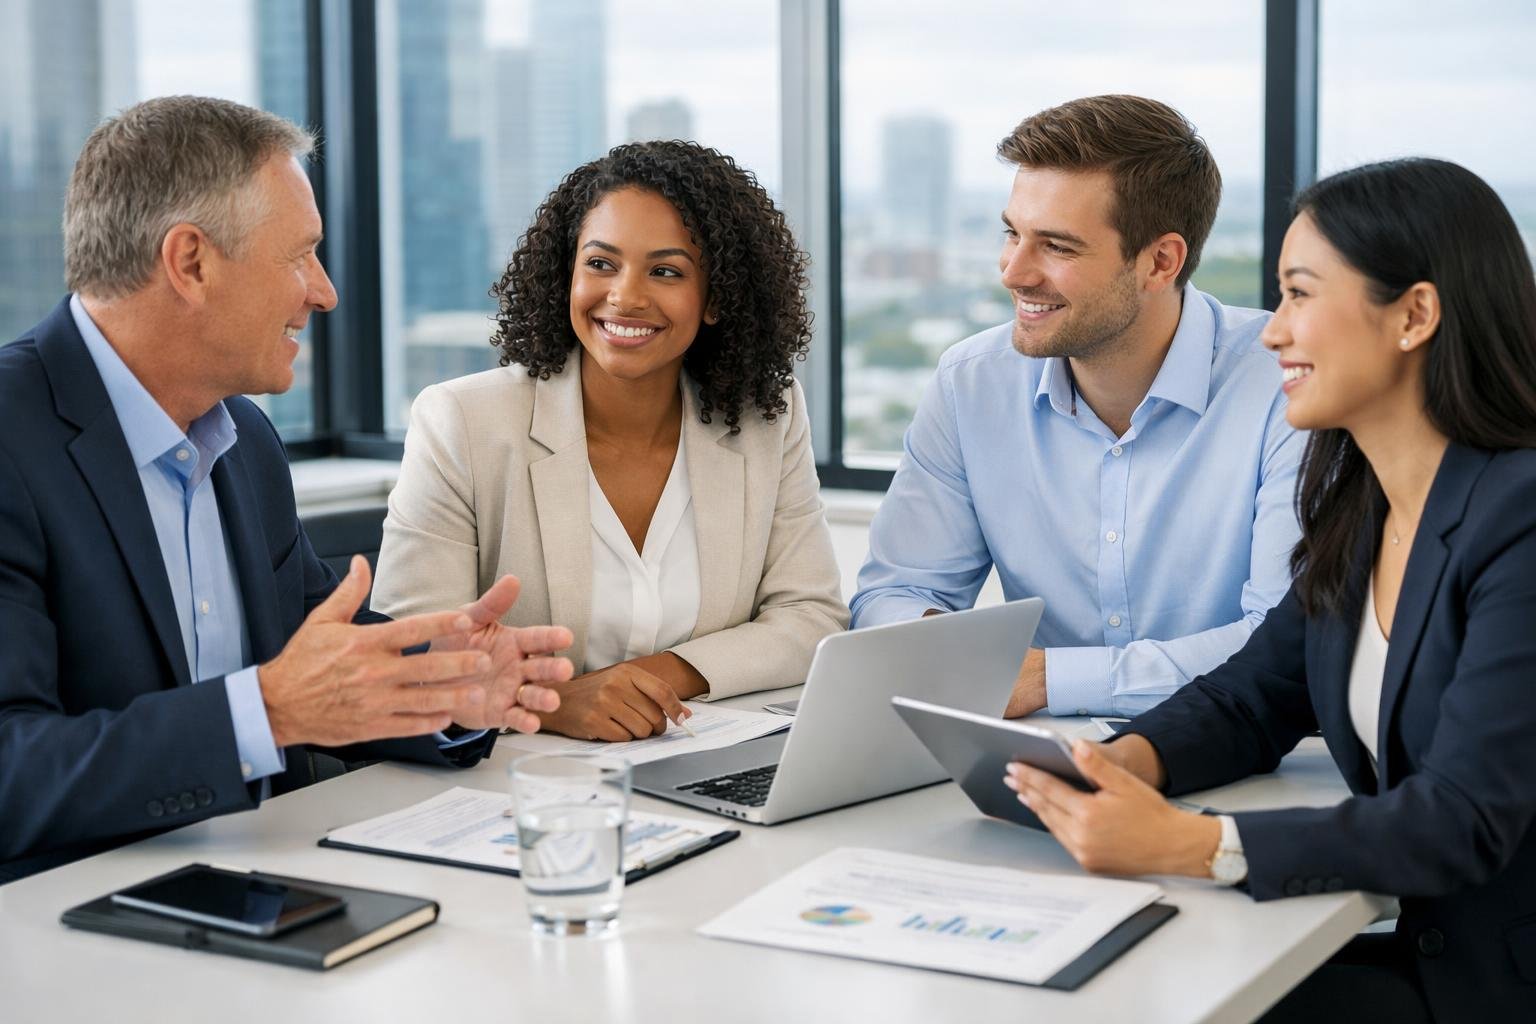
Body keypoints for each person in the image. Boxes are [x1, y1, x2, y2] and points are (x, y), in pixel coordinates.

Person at [1004, 158, 1536, 1020]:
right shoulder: (1365, 505)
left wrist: (1191, 843)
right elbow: (1254, 696)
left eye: (1299, 295)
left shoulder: (1520, 521)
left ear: (1414, 315)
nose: (1272, 333)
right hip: (1436, 954)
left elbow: (1462, 817)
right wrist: (1117, 766)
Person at [0, 96, 572, 883]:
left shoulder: (244, 437)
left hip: (273, 882)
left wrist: (445, 684)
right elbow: (12, 769)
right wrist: (266, 713)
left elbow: (316, 658)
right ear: (191, 262)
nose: (324, 292)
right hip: (68, 924)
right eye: (299, 256)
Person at [372, 141, 848, 742]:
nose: (625, 296)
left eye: (666, 271)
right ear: (565, 275)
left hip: (690, 752)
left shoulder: (764, 418)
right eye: (601, 263)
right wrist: (550, 703)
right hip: (515, 775)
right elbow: (406, 659)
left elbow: (811, 617)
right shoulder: (463, 421)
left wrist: (646, 679)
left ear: (717, 298)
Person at [850, 95, 1302, 719]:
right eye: (1012, 234)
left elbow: (1284, 641)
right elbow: (896, 591)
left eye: (1057, 247)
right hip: (1035, 749)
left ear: (1160, 262)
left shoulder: (1287, 386)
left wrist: (1048, 680)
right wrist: (948, 652)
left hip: (1247, 752)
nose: (1013, 272)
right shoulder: (971, 384)